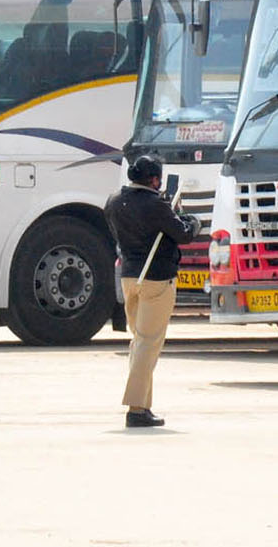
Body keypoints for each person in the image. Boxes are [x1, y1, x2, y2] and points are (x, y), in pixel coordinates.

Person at [104, 154, 199, 428]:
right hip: (156, 279)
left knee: (139, 341)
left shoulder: (113, 202)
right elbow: (183, 234)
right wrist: (192, 221)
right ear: (155, 180)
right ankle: (136, 409)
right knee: (148, 344)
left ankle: (143, 406)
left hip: (129, 276)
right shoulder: (156, 205)